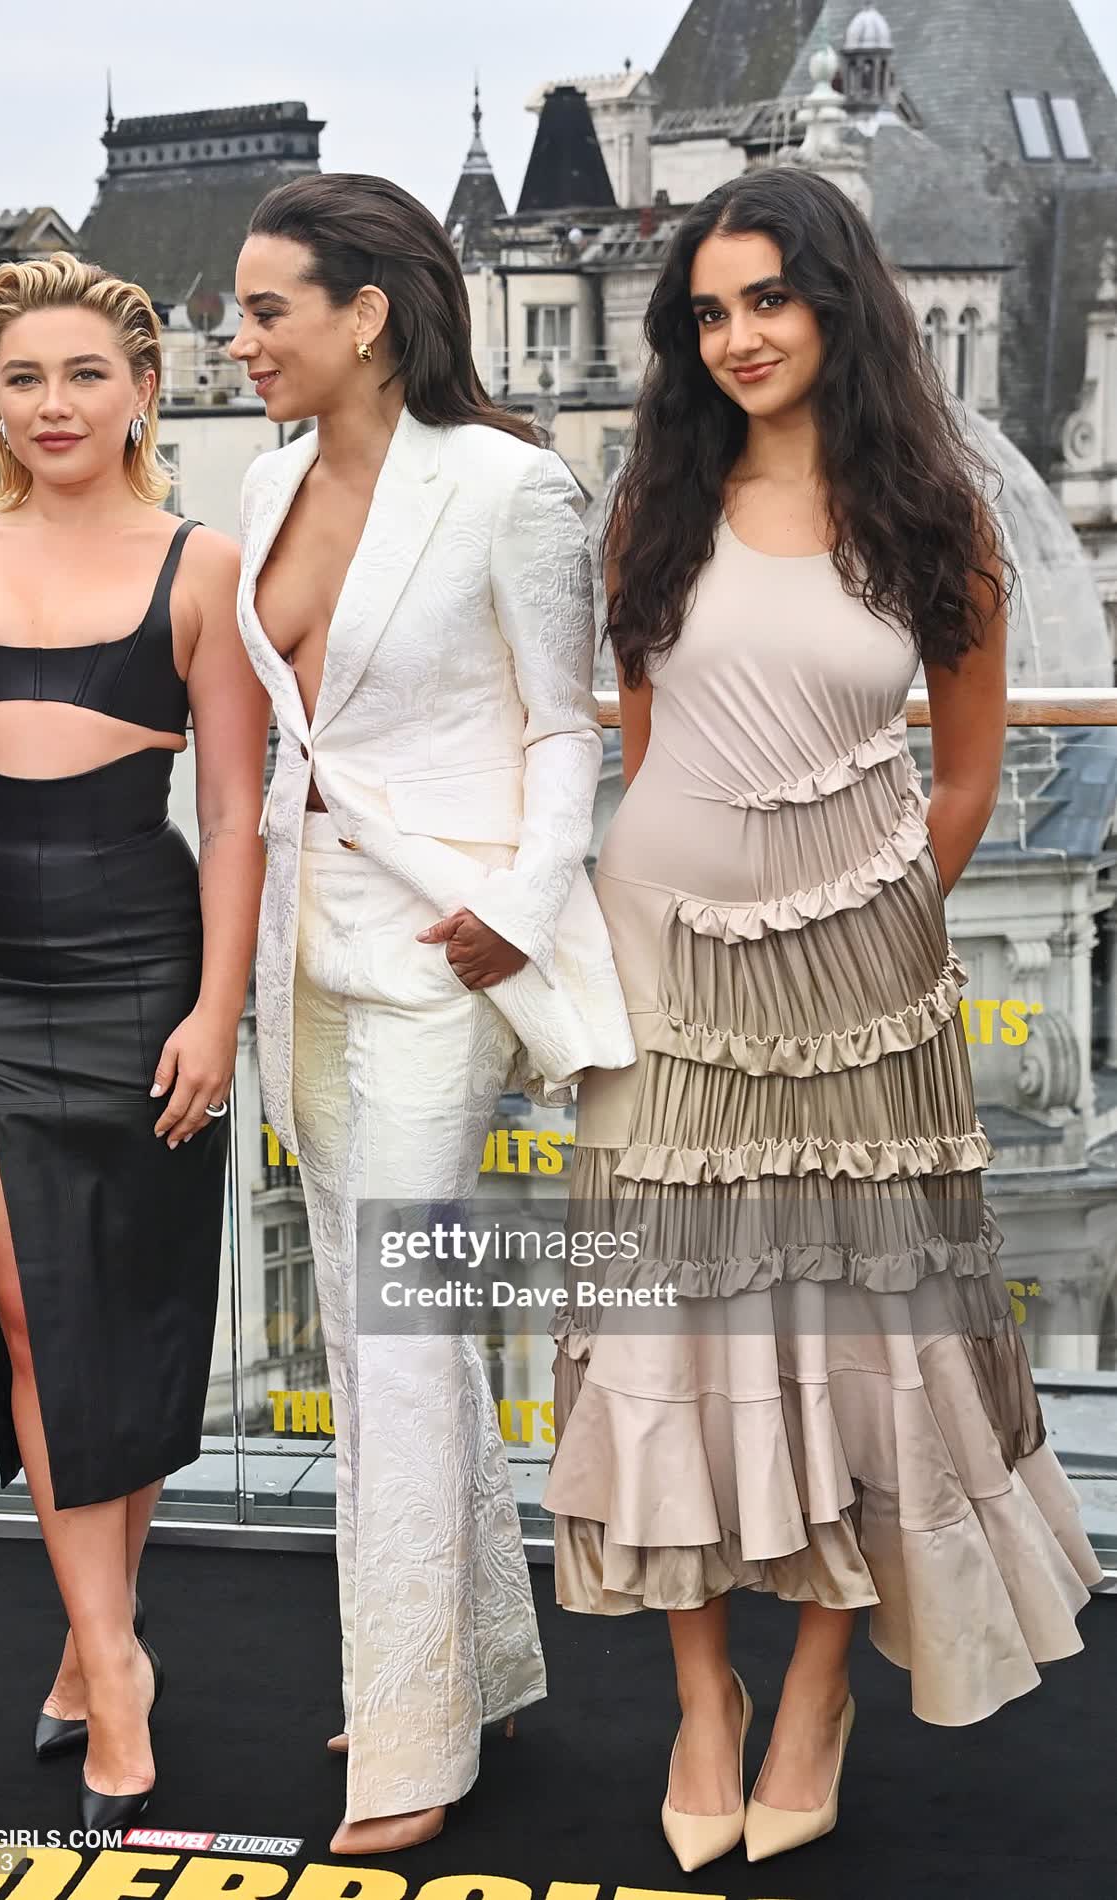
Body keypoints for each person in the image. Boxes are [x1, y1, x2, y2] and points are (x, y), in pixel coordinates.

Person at [543, 169, 1103, 1872]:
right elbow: (646, 752)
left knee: (863, 1343)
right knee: (668, 1337)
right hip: (664, 977)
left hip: (862, 999)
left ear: (838, 305)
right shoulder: (653, 506)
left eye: (768, 300)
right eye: (708, 312)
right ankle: (700, 1702)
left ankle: (811, 1694)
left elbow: (966, 770)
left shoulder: (933, 516)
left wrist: (875, 918)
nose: (737, 337)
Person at [228, 172, 634, 1856]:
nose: (237, 340)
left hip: (442, 949)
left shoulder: (508, 484)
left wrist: (517, 909)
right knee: (377, 1321)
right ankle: (473, 1660)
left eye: (265, 310)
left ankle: (407, 1738)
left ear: (367, 313)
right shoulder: (262, 484)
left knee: (397, 1339)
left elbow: (563, 724)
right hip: (300, 943)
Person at [0, 252, 268, 1827]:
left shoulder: (202, 566)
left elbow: (232, 812)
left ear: (144, 391)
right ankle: (116, 1666)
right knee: (38, 1317)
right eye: (23, 377)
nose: (54, 404)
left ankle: (87, 1640)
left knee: (128, 1317)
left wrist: (219, 1008)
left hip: (146, 970)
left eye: (85, 375)